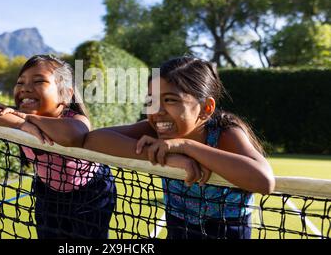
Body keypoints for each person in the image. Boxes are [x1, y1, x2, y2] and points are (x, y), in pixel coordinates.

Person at [83, 56, 275, 239]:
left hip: (228, 230)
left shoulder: (225, 133)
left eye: (170, 100)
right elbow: (93, 139)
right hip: (177, 228)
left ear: (206, 108)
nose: (157, 111)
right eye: (151, 101)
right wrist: (166, 157)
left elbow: (264, 181)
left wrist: (185, 146)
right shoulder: (155, 129)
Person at [0, 55, 116, 239]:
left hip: (91, 195)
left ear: (66, 94)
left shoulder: (73, 119)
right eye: (20, 82)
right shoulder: (15, 117)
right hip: (47, 194)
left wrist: (29, 119)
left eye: (39, 81)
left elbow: (73, 135)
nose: (26, 88)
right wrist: (20, 124)